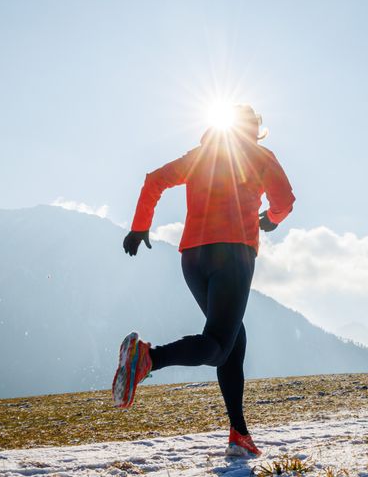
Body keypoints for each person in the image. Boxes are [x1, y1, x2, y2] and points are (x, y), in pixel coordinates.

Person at [113, 104, 295, 456]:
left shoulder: (200, 155)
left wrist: (139, 225)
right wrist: (272, 219)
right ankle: (148, 356)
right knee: (217, 344)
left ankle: (239, 435)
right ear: (255, 129)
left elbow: (155, 180)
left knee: (233, 340)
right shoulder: (259, 155)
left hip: (193, 259)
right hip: (234, 256)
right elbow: (284, 200)